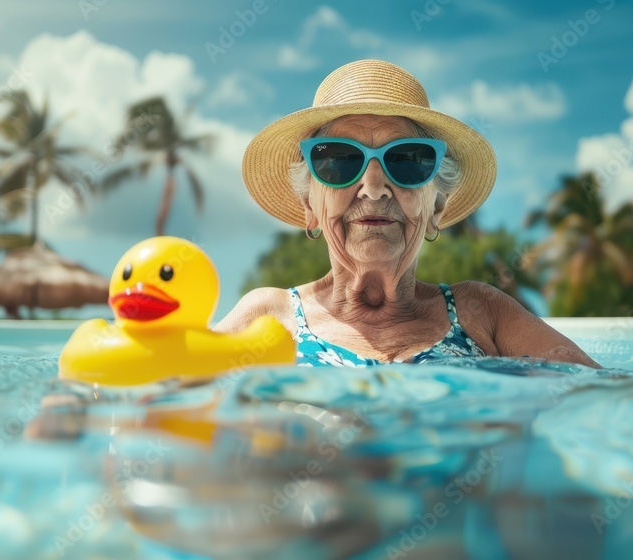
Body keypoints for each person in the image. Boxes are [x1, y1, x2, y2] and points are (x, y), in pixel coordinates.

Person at [217, 60, 599, 368]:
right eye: (338, 160)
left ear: (436, 206)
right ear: (309, 205)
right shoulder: (268, 316)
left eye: (406, 160)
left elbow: (606, 396)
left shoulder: (483, 312)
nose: (373, 187)